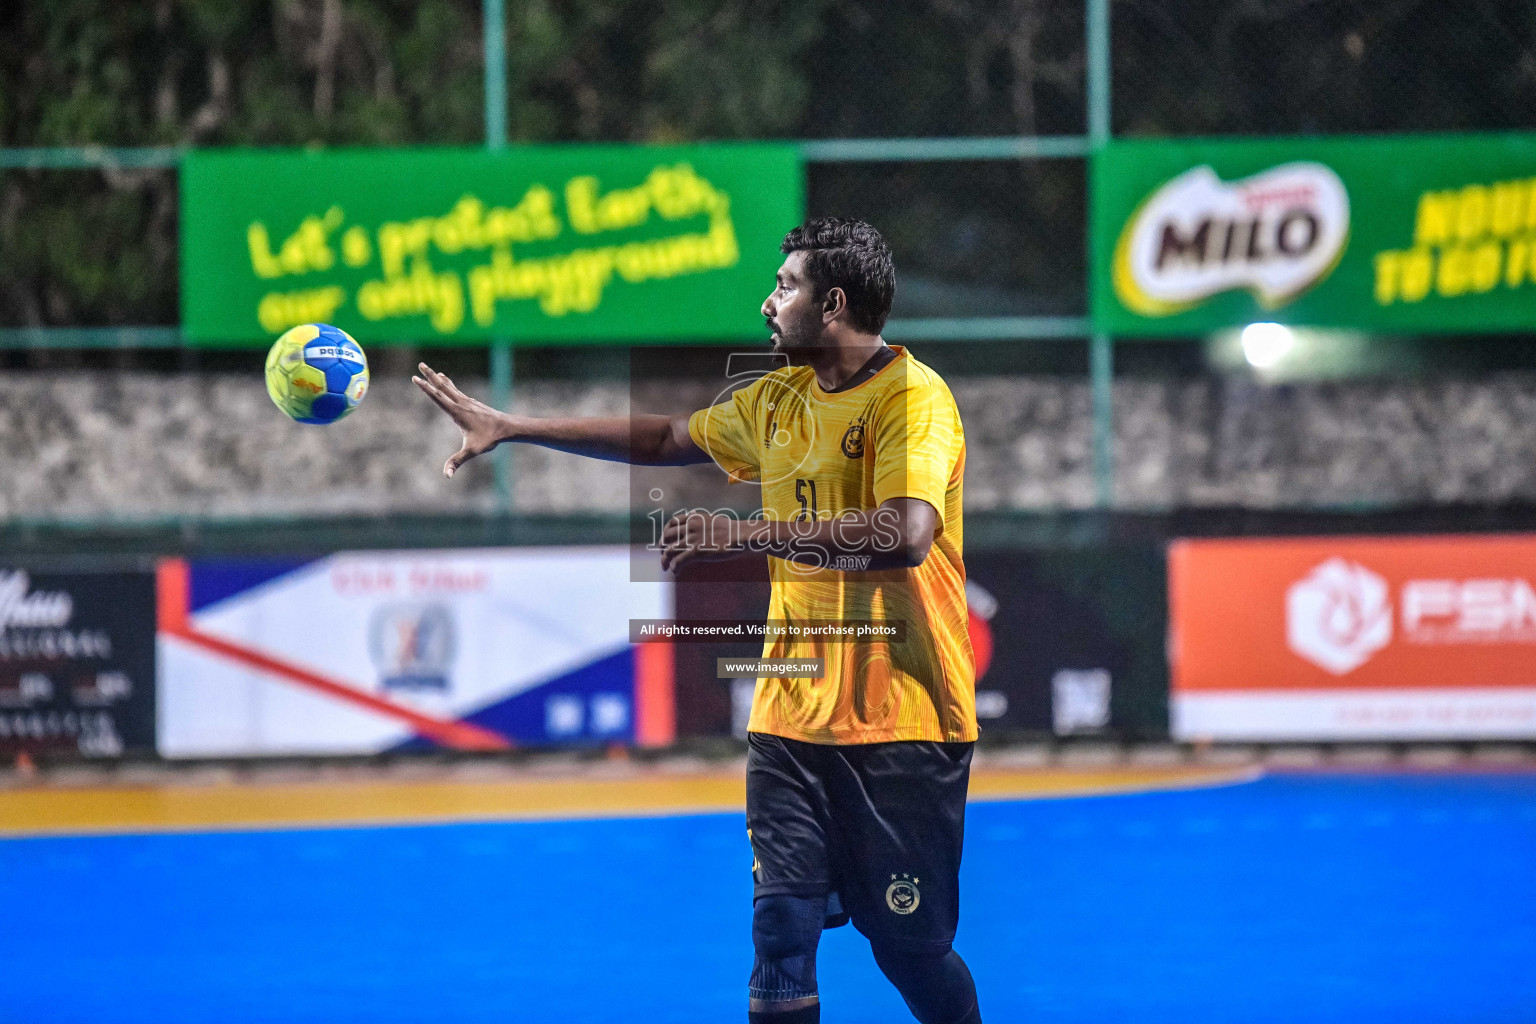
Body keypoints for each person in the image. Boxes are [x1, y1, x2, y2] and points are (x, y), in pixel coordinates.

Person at [413, 217, 980, 1024]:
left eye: (785, 287)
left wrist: (746, 536)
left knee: (909, 953)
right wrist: (514, 427)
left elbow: (907, 535)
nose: (767, 301)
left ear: (834, 305)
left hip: (906, 721)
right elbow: (668, 438)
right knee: (780, 932)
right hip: (791, 720)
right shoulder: (777, 398)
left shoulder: (912, 400)